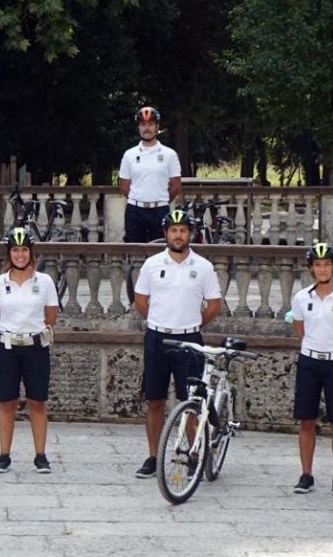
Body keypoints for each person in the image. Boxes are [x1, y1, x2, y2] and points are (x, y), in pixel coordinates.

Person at [131, 208, 222, 478]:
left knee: (191, 400)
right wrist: (160, 320)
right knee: (155, 399)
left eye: (183, 230)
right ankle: (154, 456)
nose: (178, 235)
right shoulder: (152, 264)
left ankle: (193, 452)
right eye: (173, 230)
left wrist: (192, 323)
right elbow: (140, 300)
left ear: (190, 234)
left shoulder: (203, 267)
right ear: (165, 234)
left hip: (190, 338)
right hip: (158, 338)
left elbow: (214, 304)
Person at [0, 227, 60, 474]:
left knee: (37, 402)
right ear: (9, 253)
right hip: (8, 348)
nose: (20, 255)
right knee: (7, 402)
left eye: (24, 249)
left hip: (35, 347)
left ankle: (40, 455)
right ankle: (4, 455)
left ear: (31, 253)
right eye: (15, 250)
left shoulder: (45, 281)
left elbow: (51, 316)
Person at [288, 242, 333, 495]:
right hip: (309, 361)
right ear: (311, 269)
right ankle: (306, 474)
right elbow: (300, 331)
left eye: (327, 264)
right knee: (306, 420)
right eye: (317, 265)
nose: (322, 269)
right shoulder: (301, 297)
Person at [118, 106, 182, 243]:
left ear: (157, 126)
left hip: (160, 210)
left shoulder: (169, 154)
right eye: (143, 124)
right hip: (134, 211)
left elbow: (176, 186)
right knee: (134, 253)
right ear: (138, 127)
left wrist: (161, 199)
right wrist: (139, 199)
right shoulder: (129, 155)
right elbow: (124, 187)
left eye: (150, 124)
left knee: (159, 252)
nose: (146, 128)